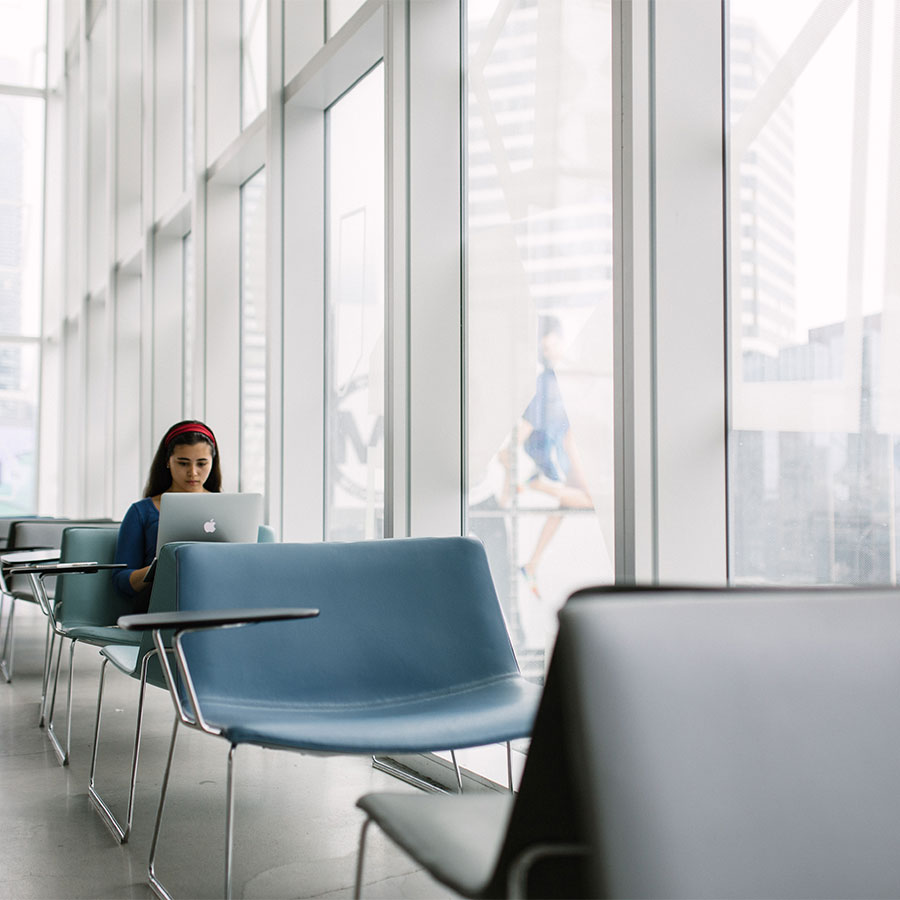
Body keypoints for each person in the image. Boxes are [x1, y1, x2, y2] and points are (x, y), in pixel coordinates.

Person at [500, 316, 592, 599]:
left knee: (566, 504)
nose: (550, 353)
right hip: (559, 453)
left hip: (570, 450)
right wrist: (507, 459)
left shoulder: (573, 375)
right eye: (545, 349)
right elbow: (529, 424)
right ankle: (533, 483)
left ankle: (532, 563)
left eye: (553, 346)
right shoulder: (546, 382)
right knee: (590, 501)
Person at [113, 420, 221, 606]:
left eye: (202, 464)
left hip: (214, 595)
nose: (193, 473)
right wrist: (157, 569)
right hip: (160, 600)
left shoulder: (227, 508)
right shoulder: (142, 512)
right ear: (168, 462)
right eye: (183, 463)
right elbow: (121, 580)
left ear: (213, 462)